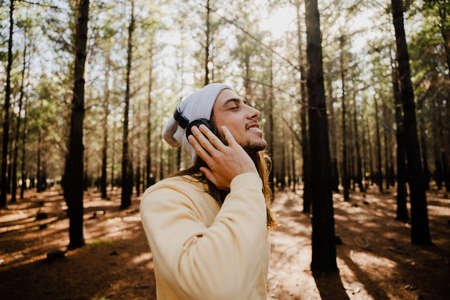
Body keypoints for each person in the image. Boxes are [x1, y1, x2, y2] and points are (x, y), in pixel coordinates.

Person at [140, 83, 273, 300]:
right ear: (203, 130)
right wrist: (245, 179)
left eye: (246, 105)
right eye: (234, 107)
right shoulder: (166, 196)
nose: (254, 112)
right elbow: (219, 288)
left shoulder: (240, 192)